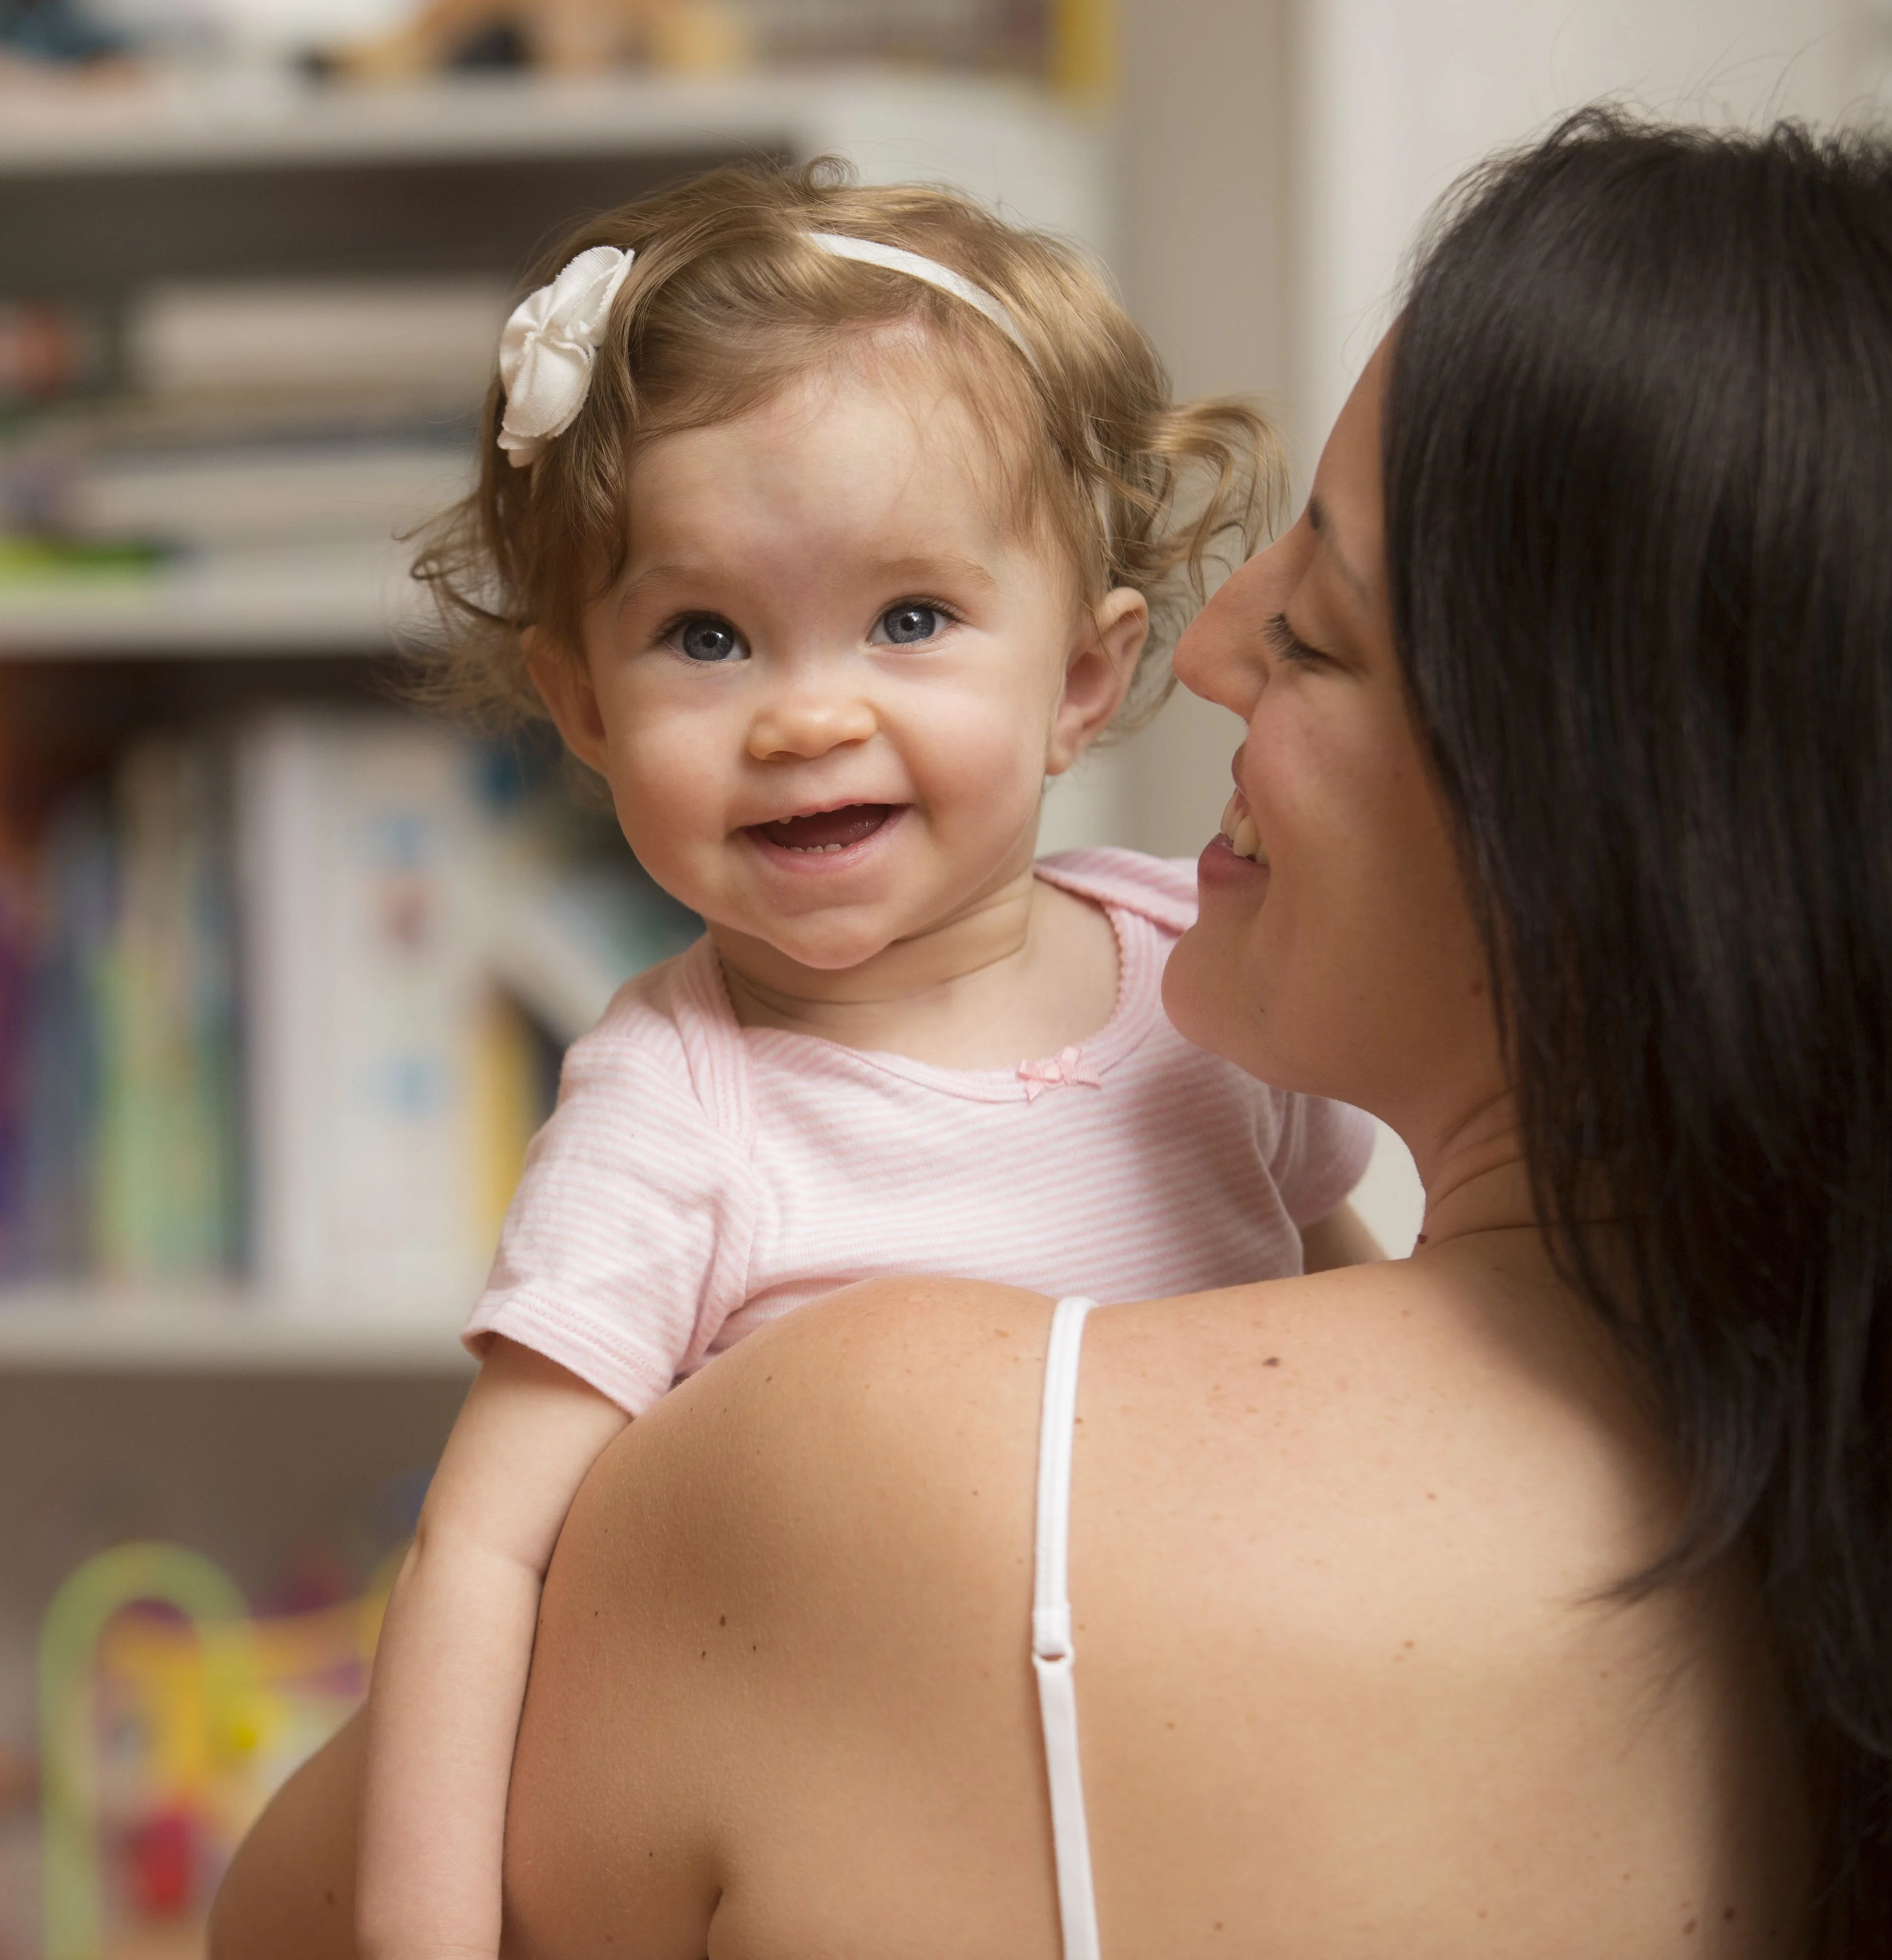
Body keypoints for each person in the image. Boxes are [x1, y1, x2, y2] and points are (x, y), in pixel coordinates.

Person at [213, 110, 1892, 1957]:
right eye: (707, 638)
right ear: (576, 694)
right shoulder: (1849, 1507)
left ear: (1593, 809)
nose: (1212, 651)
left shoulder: (864, 1454)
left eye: (1322, 633)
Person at [350, 164, 1381, 1960]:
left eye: (909, 618)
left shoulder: (1188, 970)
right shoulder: (683, 1105)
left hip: (1247, 1796)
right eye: (704, 636)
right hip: (875, 1854)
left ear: (1082, 670)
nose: (807, 710)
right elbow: (481, 1557)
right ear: (580, 703)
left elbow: (1352, 1314)